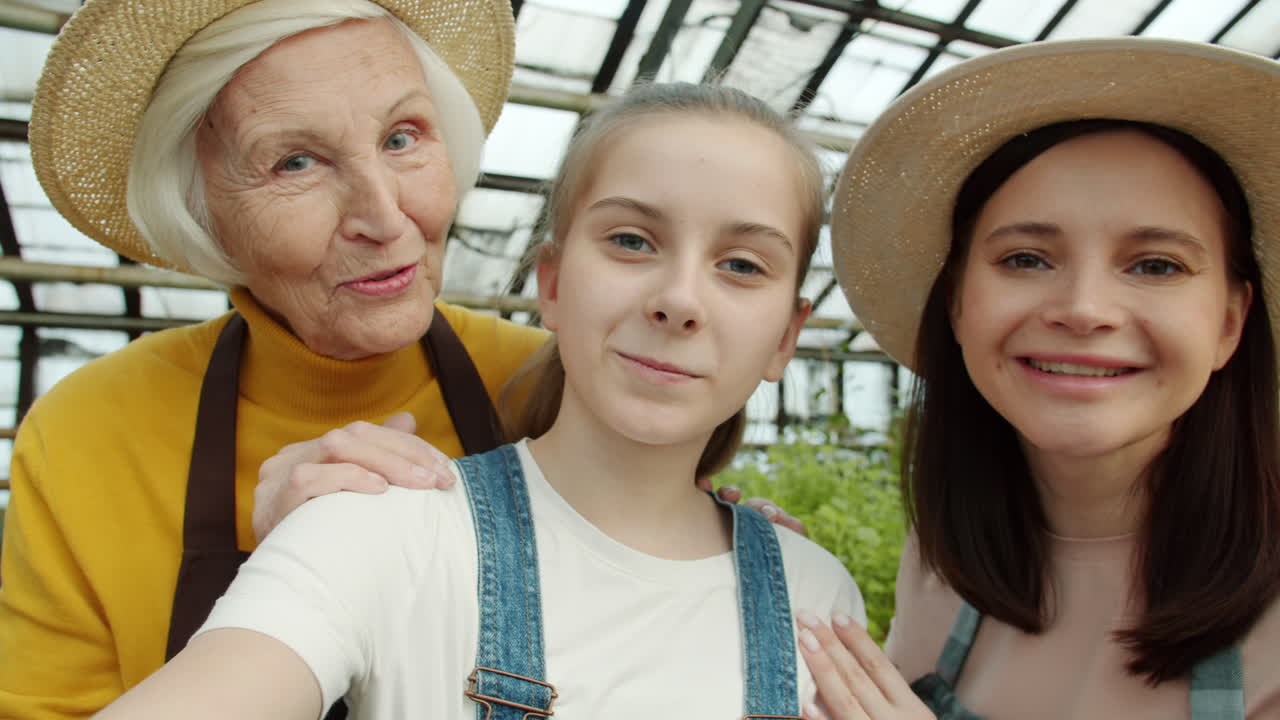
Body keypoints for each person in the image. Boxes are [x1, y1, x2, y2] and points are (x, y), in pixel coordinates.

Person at [91, 81, 867, 719]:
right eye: (632, 241)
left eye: (741, 265)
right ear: (553, 285)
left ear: (784, 338)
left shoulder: (815, 597)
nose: (680, 299)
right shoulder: (381, 533)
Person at [0, 2, 547, 717]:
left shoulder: (555, 386)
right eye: (296, 161)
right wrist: (289, 583)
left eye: (402, 137)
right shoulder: (88, 432)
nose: (384, 218)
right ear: (200, 209)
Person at [792, 37, 1280, 720]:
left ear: (1230, 323)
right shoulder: (941, 565)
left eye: (1156, 265)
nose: (1083, 310)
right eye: (1025, 258)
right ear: (958, 303)